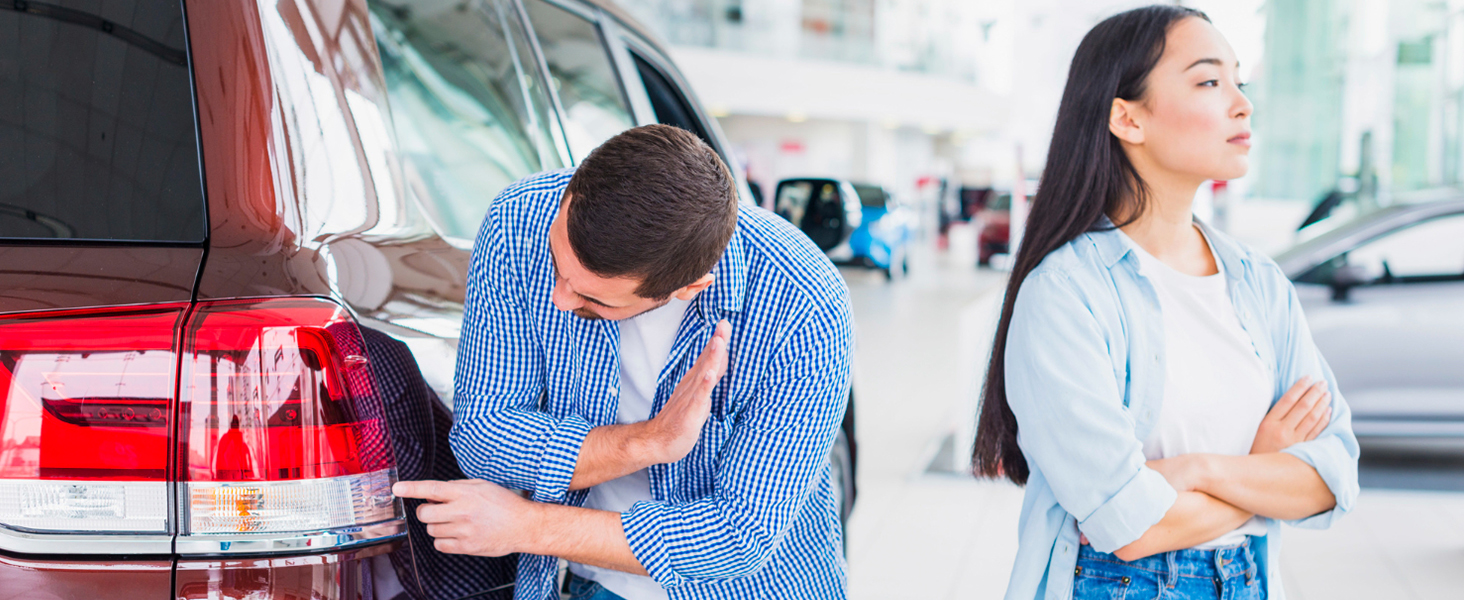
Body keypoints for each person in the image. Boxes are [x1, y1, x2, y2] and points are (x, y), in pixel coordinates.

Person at [971, 6, 1359, 600]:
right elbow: (1130, 525)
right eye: (1209, 81)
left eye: (1240, 82)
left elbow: (1333, 479)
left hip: (1250, 580)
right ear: (1127, 119)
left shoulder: (1259, 282)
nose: (1241, 104)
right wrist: (1263, 471)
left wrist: (1203, 470)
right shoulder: (1065, 293)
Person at [394, 124, 853, 600]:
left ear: (690, 287)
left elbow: (738, 536)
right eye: (557, 261)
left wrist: (527, 526)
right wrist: (647, 442)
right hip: (588, 585)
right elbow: (484, 438)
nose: (558, 297)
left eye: (593, 297)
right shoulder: (519, 223)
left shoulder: (804, 304)